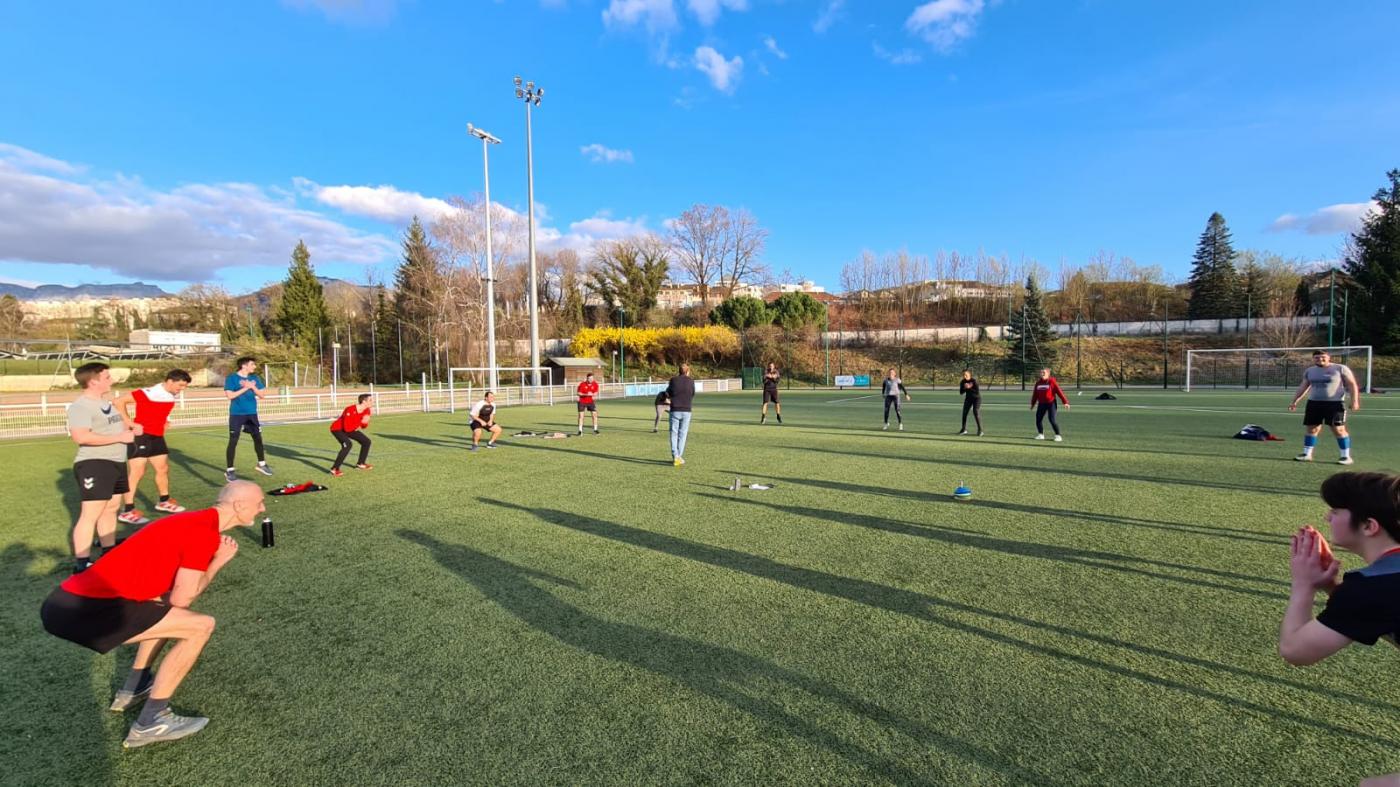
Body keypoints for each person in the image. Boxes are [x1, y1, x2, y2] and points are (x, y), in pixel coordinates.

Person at [40, 480, 265, 749]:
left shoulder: (192, 522)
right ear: (239, 506)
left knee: (167, 613)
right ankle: (152, 720)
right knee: (201, 626)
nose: (262, 508)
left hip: (64, 603)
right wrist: (218, 562)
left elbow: (172, 601)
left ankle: (133, 689)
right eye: (259, 502)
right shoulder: (203, 533)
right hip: (85, 609)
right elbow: (185, 596)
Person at [1278, 471, 1400, 786]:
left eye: (1336, 510)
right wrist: (1334, 590)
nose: (1327, 516)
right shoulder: (1380, 586)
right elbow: (1385, 614)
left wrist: (1303, 586)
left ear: (1369, 526)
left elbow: (1296, 650)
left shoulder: (1374, 588)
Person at [66, 363, 138, 574]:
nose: (111, 380)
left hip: (116, 463)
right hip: (95, 464)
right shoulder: (81, 406)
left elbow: (114, 426)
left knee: (111, 508)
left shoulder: (104, 403)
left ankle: (109, 550)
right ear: (93, 381)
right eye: (107, 377)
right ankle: (82, 563)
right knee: (90, 514)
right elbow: (80, 436)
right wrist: (119, 437)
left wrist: (131, 426)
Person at [115, 369, 192, 526]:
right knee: (137, 472)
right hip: (140, 436)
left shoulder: (171, 394)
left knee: (162, 468)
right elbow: (118, 402)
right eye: (180, 385)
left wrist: (166, 420)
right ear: (170, 381)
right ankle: (127, 510)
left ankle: (164, 501)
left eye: (184, 386)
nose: (182, 389)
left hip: (157, 436)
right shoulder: (148, 393)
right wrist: (129, 423)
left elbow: (160, 410)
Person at [1289, 349, 1362, 465]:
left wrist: (1355, 401)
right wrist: (1295, 401)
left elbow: (1352, 384)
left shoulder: (1340, 368)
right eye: (1317, 357)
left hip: (1335, 404)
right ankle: (1307, 454)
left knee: (1338, 429)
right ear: (1313, 359)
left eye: (1323, 357)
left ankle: (1345, 456)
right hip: (1314, 403)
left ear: (1329, 357)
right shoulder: (1310, 371)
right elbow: (1304, 386)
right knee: (1312, 429)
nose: (1320, 359)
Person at [223, 356, 273, 482]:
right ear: (244, 366)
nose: (254, 367)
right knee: (233, 441)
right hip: (236, 414)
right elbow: (230, 396)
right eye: (252, 364)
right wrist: (245, 387)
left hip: (252, 413)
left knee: (258, 438)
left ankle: (261, 464)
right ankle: (229, 470)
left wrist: (252, 387)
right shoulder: (232, 378)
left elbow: (262, 395)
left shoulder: (254, 378)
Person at [329, 393, 373, 476]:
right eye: (370, 400)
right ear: (364, 401)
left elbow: (363, 426)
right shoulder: (349, 409)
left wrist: (365, 422)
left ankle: (361, 463)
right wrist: (361, 422)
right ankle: (335, 469)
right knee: (348, 445)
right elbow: (347, 428)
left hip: (350, 429)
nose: (372, 402)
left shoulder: (367, 410)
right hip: (337, 429)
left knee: (366, 442)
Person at [666, 363, 695, 466]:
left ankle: (675, 456)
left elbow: (667, 393)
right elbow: (692, 394)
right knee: (682, 434)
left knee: (673, 434)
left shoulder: (673, 380)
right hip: (686, 410)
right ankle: (678, 456)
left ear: (679, 371)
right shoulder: (691, 381)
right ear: (687, 371)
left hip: (675, 409)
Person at [1030, 368, 1069, 441]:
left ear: (1048, 374)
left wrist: (1065, 402)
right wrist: (1033, 404)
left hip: (1051, 403)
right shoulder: (1038, 383)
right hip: (1041, 404)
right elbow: (1035, 394)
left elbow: (1059, 392)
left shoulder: (1052, 381)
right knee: (1038, 419)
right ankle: (1040, 434)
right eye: (1041, 372)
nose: (1042, 373)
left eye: (1044, 372)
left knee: (1052, 420)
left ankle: (1058, 435)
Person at [958, 369, 983, 436]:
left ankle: (980, 430)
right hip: (968, 399)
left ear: (969, 374)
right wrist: (965, 388)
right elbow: (961, 392)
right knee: (964, 413)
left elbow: (977, 391)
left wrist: (969, 387)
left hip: (976, 398)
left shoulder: (974, 381)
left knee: (975, 412)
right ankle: (964, 429)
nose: (964, 376)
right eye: (963, 375)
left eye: (966, 374)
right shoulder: (963, 382)